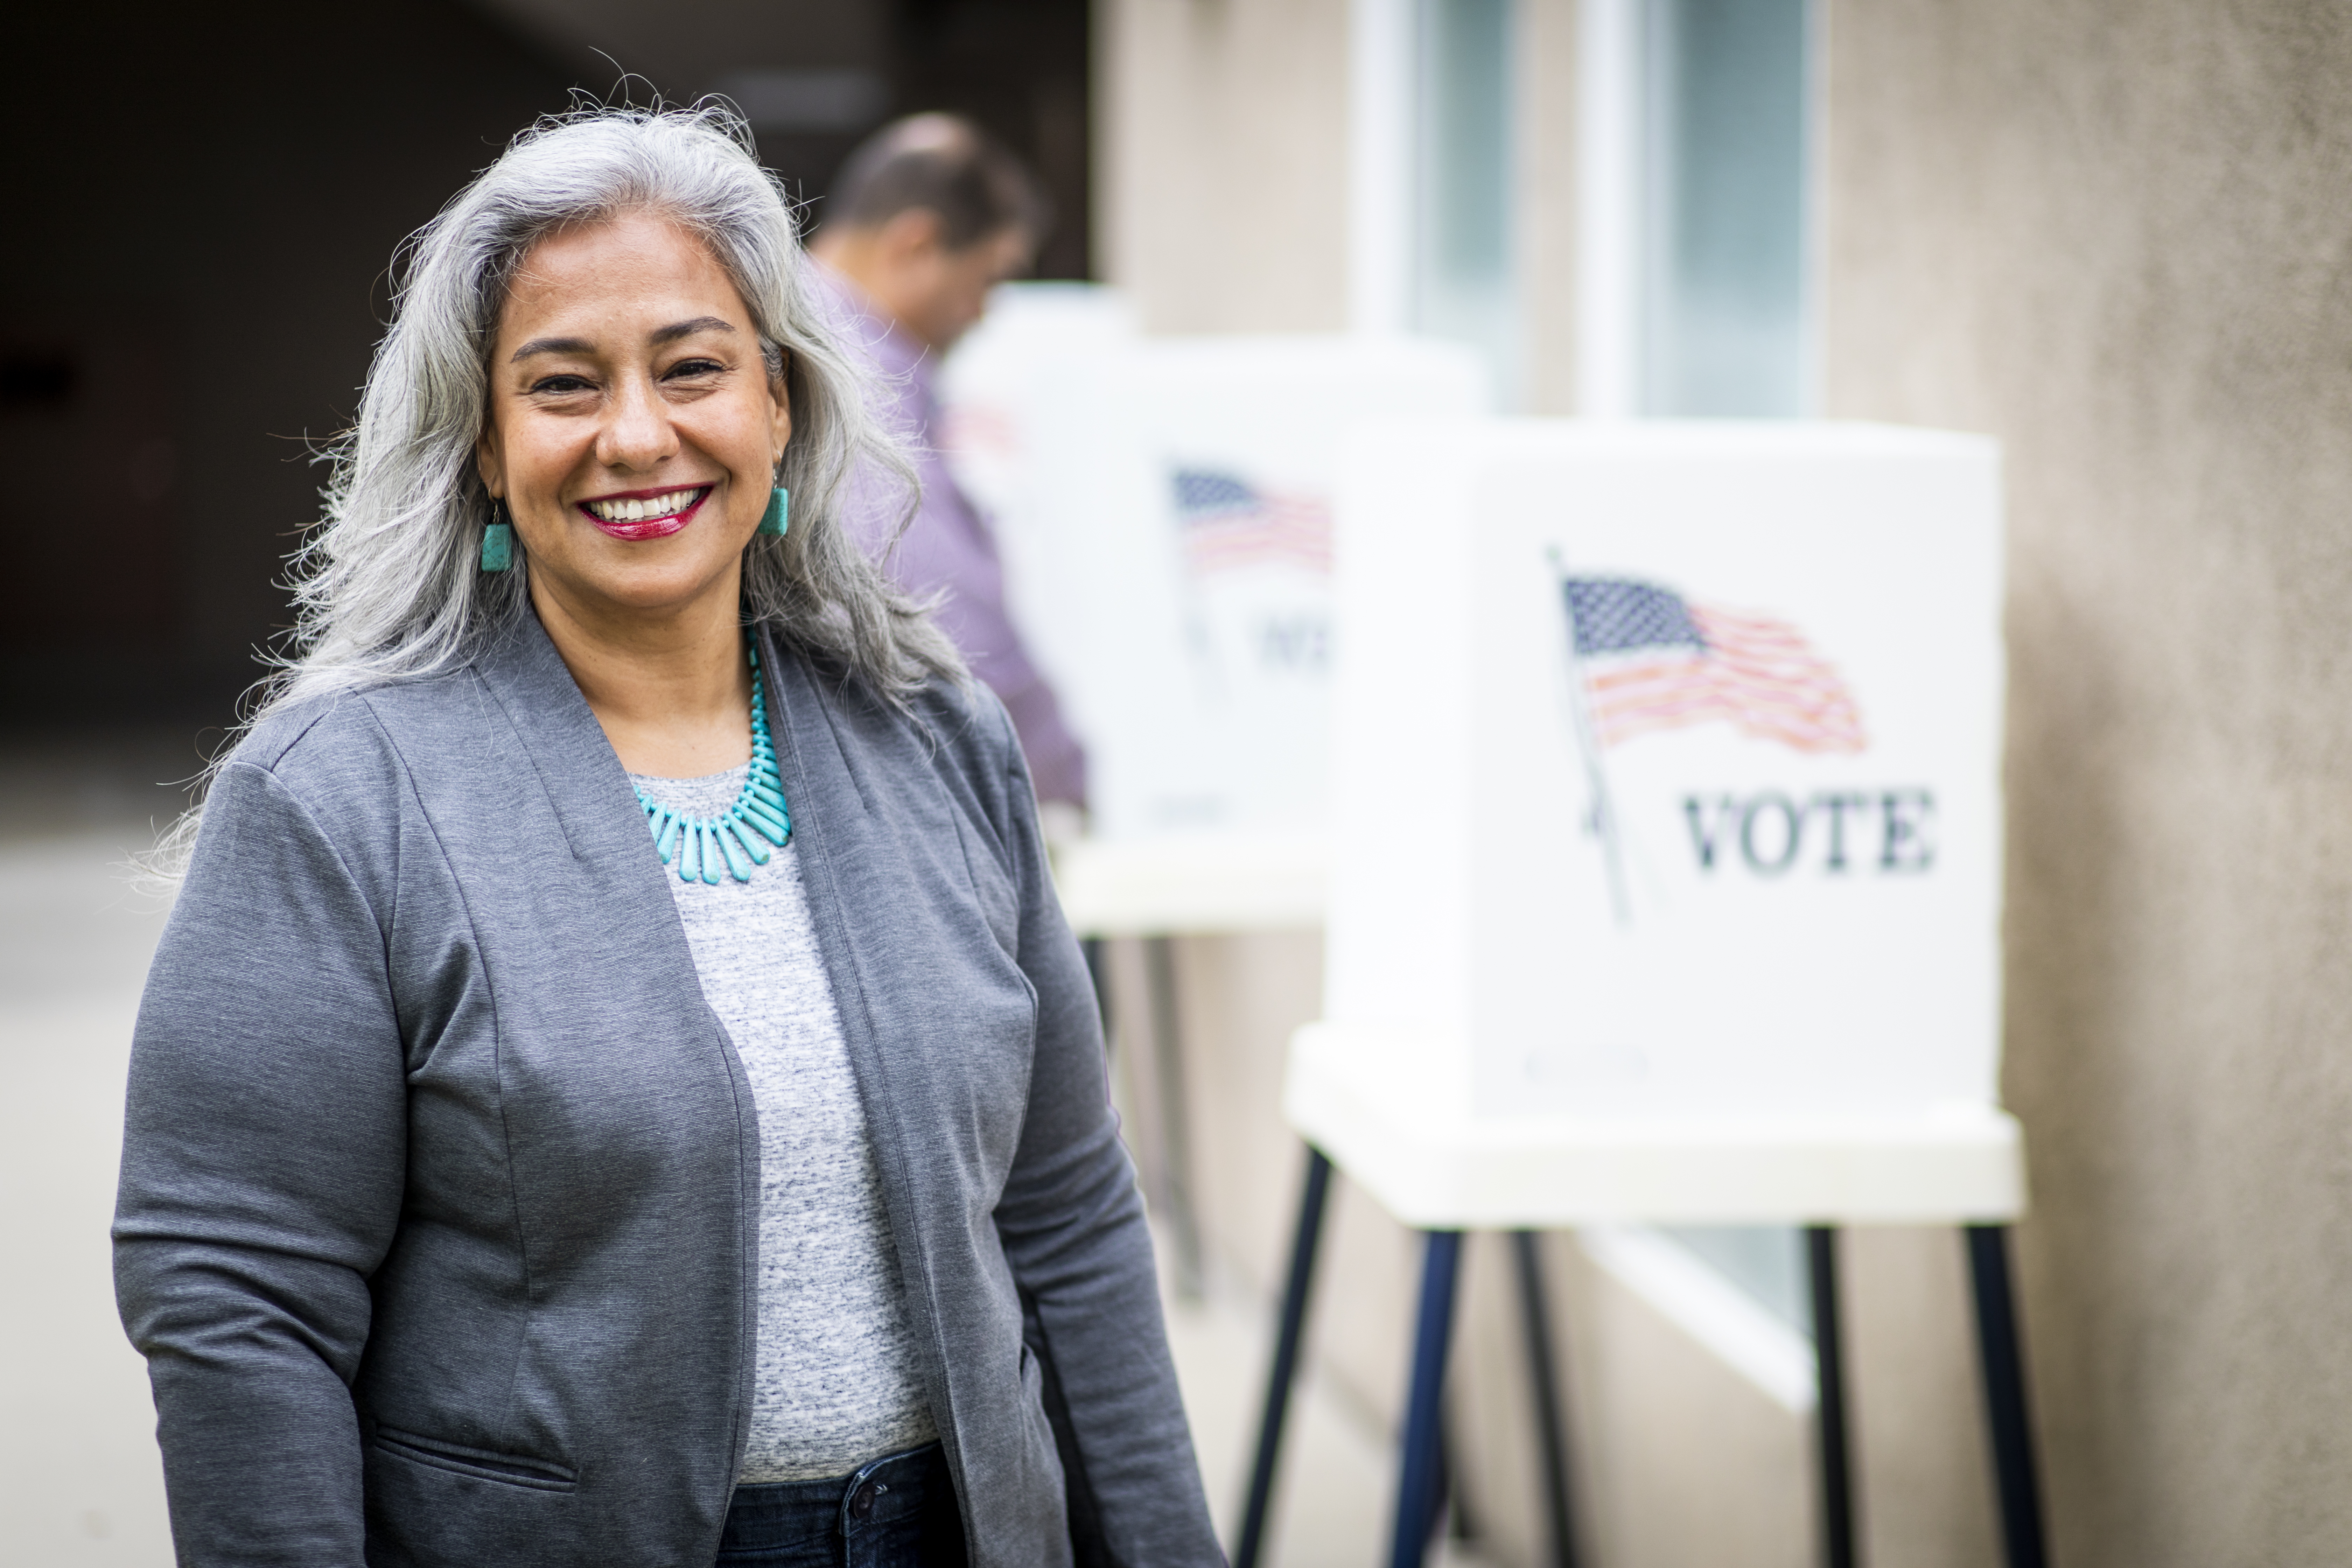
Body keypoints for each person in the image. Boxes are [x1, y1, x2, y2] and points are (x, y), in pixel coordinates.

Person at [112, 106, 1218, 1568]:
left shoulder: (938, 741)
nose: (638, 434)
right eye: (562, 384)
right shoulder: (337, 796)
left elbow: (1070, 1218)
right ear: (487, 453)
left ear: (780, 403)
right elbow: (237, 1298)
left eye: (693, 367)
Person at [808, 114, 1088, 819]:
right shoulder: (853, 377)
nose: (986, 313)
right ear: (918, 244)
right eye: (989, 278)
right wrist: (1065, 777)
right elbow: (957, 629)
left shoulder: (791, 333)